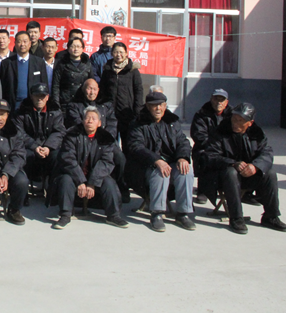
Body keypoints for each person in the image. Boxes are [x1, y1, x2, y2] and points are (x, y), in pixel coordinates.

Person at [202, 103, 286, 234]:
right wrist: (233, 163)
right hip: (221, 178)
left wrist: (255, 167)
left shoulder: (257, 134)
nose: (235, 123)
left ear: (250, 123)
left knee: (270, 173)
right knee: (231, 172)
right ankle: (236, 218)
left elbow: (267, 153)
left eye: (240, 121)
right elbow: (210, 156)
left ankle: (271, 216)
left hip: (247, 176)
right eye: (234, 119)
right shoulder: (220, 131)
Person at [128, 92, 195, 232]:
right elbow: (136, 147)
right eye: (154, 105)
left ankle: (183, 213)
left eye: (160, 105)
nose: (158, 108)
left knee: (185, 170)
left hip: (171, 162)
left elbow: (183, 142)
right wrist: (156, 160)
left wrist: (182, 157)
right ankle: (157, 213)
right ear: (148, 106)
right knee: (161, 172)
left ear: (165, 106)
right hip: (145, 166)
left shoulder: (172, 122)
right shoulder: (138, 123)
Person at [52, 106, 128, 230]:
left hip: (95, 175)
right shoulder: (72, 135)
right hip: (74, 173)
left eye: (93, 118)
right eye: (87, 118)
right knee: (65, 180)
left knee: (109, 182)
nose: (90, 121)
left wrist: (92, 182)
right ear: (82, 121)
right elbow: (68, 159)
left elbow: (106, 162)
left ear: (99, 123)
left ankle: (113, 215)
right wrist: (80, 180)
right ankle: (65, 215)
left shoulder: (106, 138)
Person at [65, 78, 128, 202]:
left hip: (104, 141)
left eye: (94, 89)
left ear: (98, 90)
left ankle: (122, 188)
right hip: (83, 140)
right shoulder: (74, 105)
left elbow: (112, 124)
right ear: (84, 90)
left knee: (120, 158)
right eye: (89, 89)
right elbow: (77, 124)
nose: (92, 92)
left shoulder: (106, 105)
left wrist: (104, 137)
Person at [14, 83, 65, 187]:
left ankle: (52, 187)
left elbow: (59, 131)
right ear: (31, 96)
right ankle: (26, 187)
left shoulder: (55, 111)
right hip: (29, 146)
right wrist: (34, 146)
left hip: (49, 146)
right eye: (37, 96)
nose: (40, 99)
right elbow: (19, 133)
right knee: (25, 155)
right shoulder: (21, 112)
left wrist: (48, 147)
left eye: (42, 96)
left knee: (57, 156)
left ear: (47, 97)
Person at [190, 88, 232, 204]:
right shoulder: (201, 114)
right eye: (216, 99)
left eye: (221, 100)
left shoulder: (232, 115)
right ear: (211, 99)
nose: (218, 102)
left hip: (226, 148)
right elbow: (199, 136)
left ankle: (241, 190)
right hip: (207, 148)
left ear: (226, 102)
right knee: (204, 156)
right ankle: (203, 190)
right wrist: (216, 147)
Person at [100, 41, 143, 145]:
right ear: (112, 53)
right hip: (111, 112)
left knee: (127, 143)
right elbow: (102, 90)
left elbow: (138, 91)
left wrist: (137, 111)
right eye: (116, 52)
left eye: (121, 52)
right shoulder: (107, 69)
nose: (118, 55)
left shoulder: (132, 70)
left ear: (126, 53)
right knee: (110, 142)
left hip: (127, 112)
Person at [0, 31, 48, 110]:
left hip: (33, 105)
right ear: (15, 43)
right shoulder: (6, 63)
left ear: (30, 43)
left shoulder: (39, 62)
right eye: (19, 41)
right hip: (12, 105)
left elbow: (44, 84)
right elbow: (2, 86)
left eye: (25, 41)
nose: (22, 44)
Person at [50, 36, 93, 112]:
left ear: (82, 48)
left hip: (82, 101)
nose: (76, 49)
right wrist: (56, 103)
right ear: (68, 48)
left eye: (78, 47)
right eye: (73, 46)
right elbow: (56, 85)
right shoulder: (62, 64)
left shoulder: (87, 64)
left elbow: (92, 82)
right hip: (65, 102)